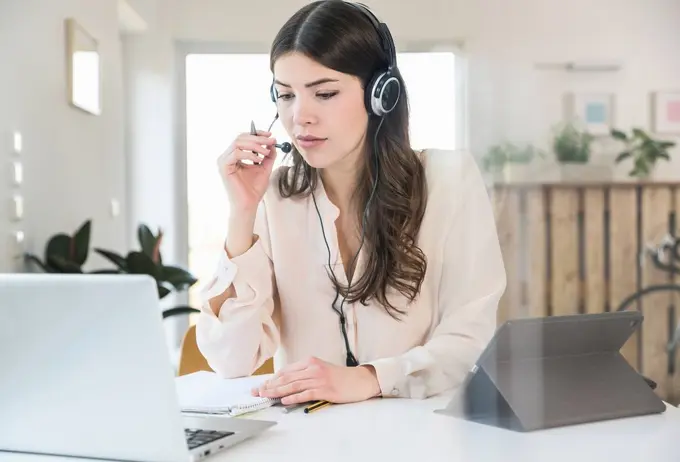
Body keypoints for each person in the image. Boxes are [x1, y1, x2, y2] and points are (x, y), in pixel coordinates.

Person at [195, 0, 506, 406]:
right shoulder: (274, 199)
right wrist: (242, 213)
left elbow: (470, 341)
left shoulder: (448, 180)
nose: (299, 116)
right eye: (285, 95)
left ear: (381, 95)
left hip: (422, 434)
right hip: (307, 440)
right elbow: (231, 360)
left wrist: (371, 378)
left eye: (324, 93)